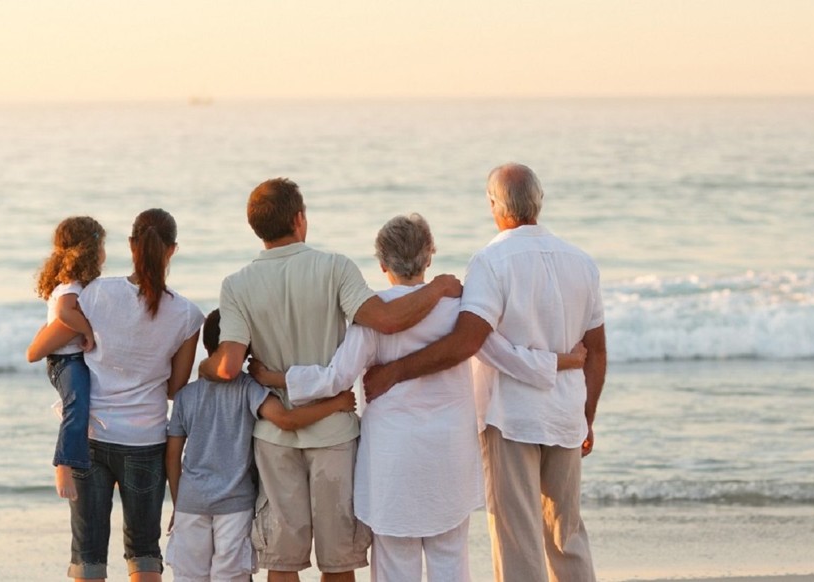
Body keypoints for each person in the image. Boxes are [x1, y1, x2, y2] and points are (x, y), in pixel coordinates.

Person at [251, 213, 586, 582]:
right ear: (430, 256)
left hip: (393, 457)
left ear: (382, 264)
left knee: (396, 566)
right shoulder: (459, 308)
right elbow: (504, 355)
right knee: (450, 563)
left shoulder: (374, 316)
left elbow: (336, 378)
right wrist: (562, 361)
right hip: (449, 454)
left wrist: (276, 378)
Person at [198, 178, 462, 582]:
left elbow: (230, 366)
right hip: (334, 435)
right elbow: (388, 320)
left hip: (274, 439)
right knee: (339, 562)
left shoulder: (236, 285)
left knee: (282, 563)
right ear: (300, 219)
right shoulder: (335, 267)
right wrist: (441, 287)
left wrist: (204, 369)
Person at [364, 164, 607, 582]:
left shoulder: (491, 262)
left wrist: (395, 371)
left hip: (510, 418)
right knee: (566, 534)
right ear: (540, 201)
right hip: (565, 415)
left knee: (517, 538)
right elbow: (598, 352)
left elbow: (467, 342)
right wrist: (587, 413)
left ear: (495, 206)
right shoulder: (582, 261)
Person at [30, 208, 204, 582]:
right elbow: (175, 387)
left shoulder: (95, 293)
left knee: (88, 554)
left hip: (91, 437)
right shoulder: (189, 315)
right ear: (172, 250)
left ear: (131, 245)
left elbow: (43, 346)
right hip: (145, 439)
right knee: (143, 551)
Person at [164, 309, 359, 582]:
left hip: (190, 504)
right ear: (244, 348)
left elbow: (172, 456)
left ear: (205, 345)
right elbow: (286, 420)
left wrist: (178, 501)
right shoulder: (249, 389)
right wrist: (335, 404)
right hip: (235, 505)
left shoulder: (185, 397)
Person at [25, 216, 106, 501]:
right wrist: (88, 332)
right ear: (90, 250)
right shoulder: (71, 286)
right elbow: (63, 314)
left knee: (91, 407)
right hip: (65, 361)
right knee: (78, 405)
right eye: (103, 245)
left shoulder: (76, 284)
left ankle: (100, 463)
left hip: (71, 359)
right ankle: (64, 463)